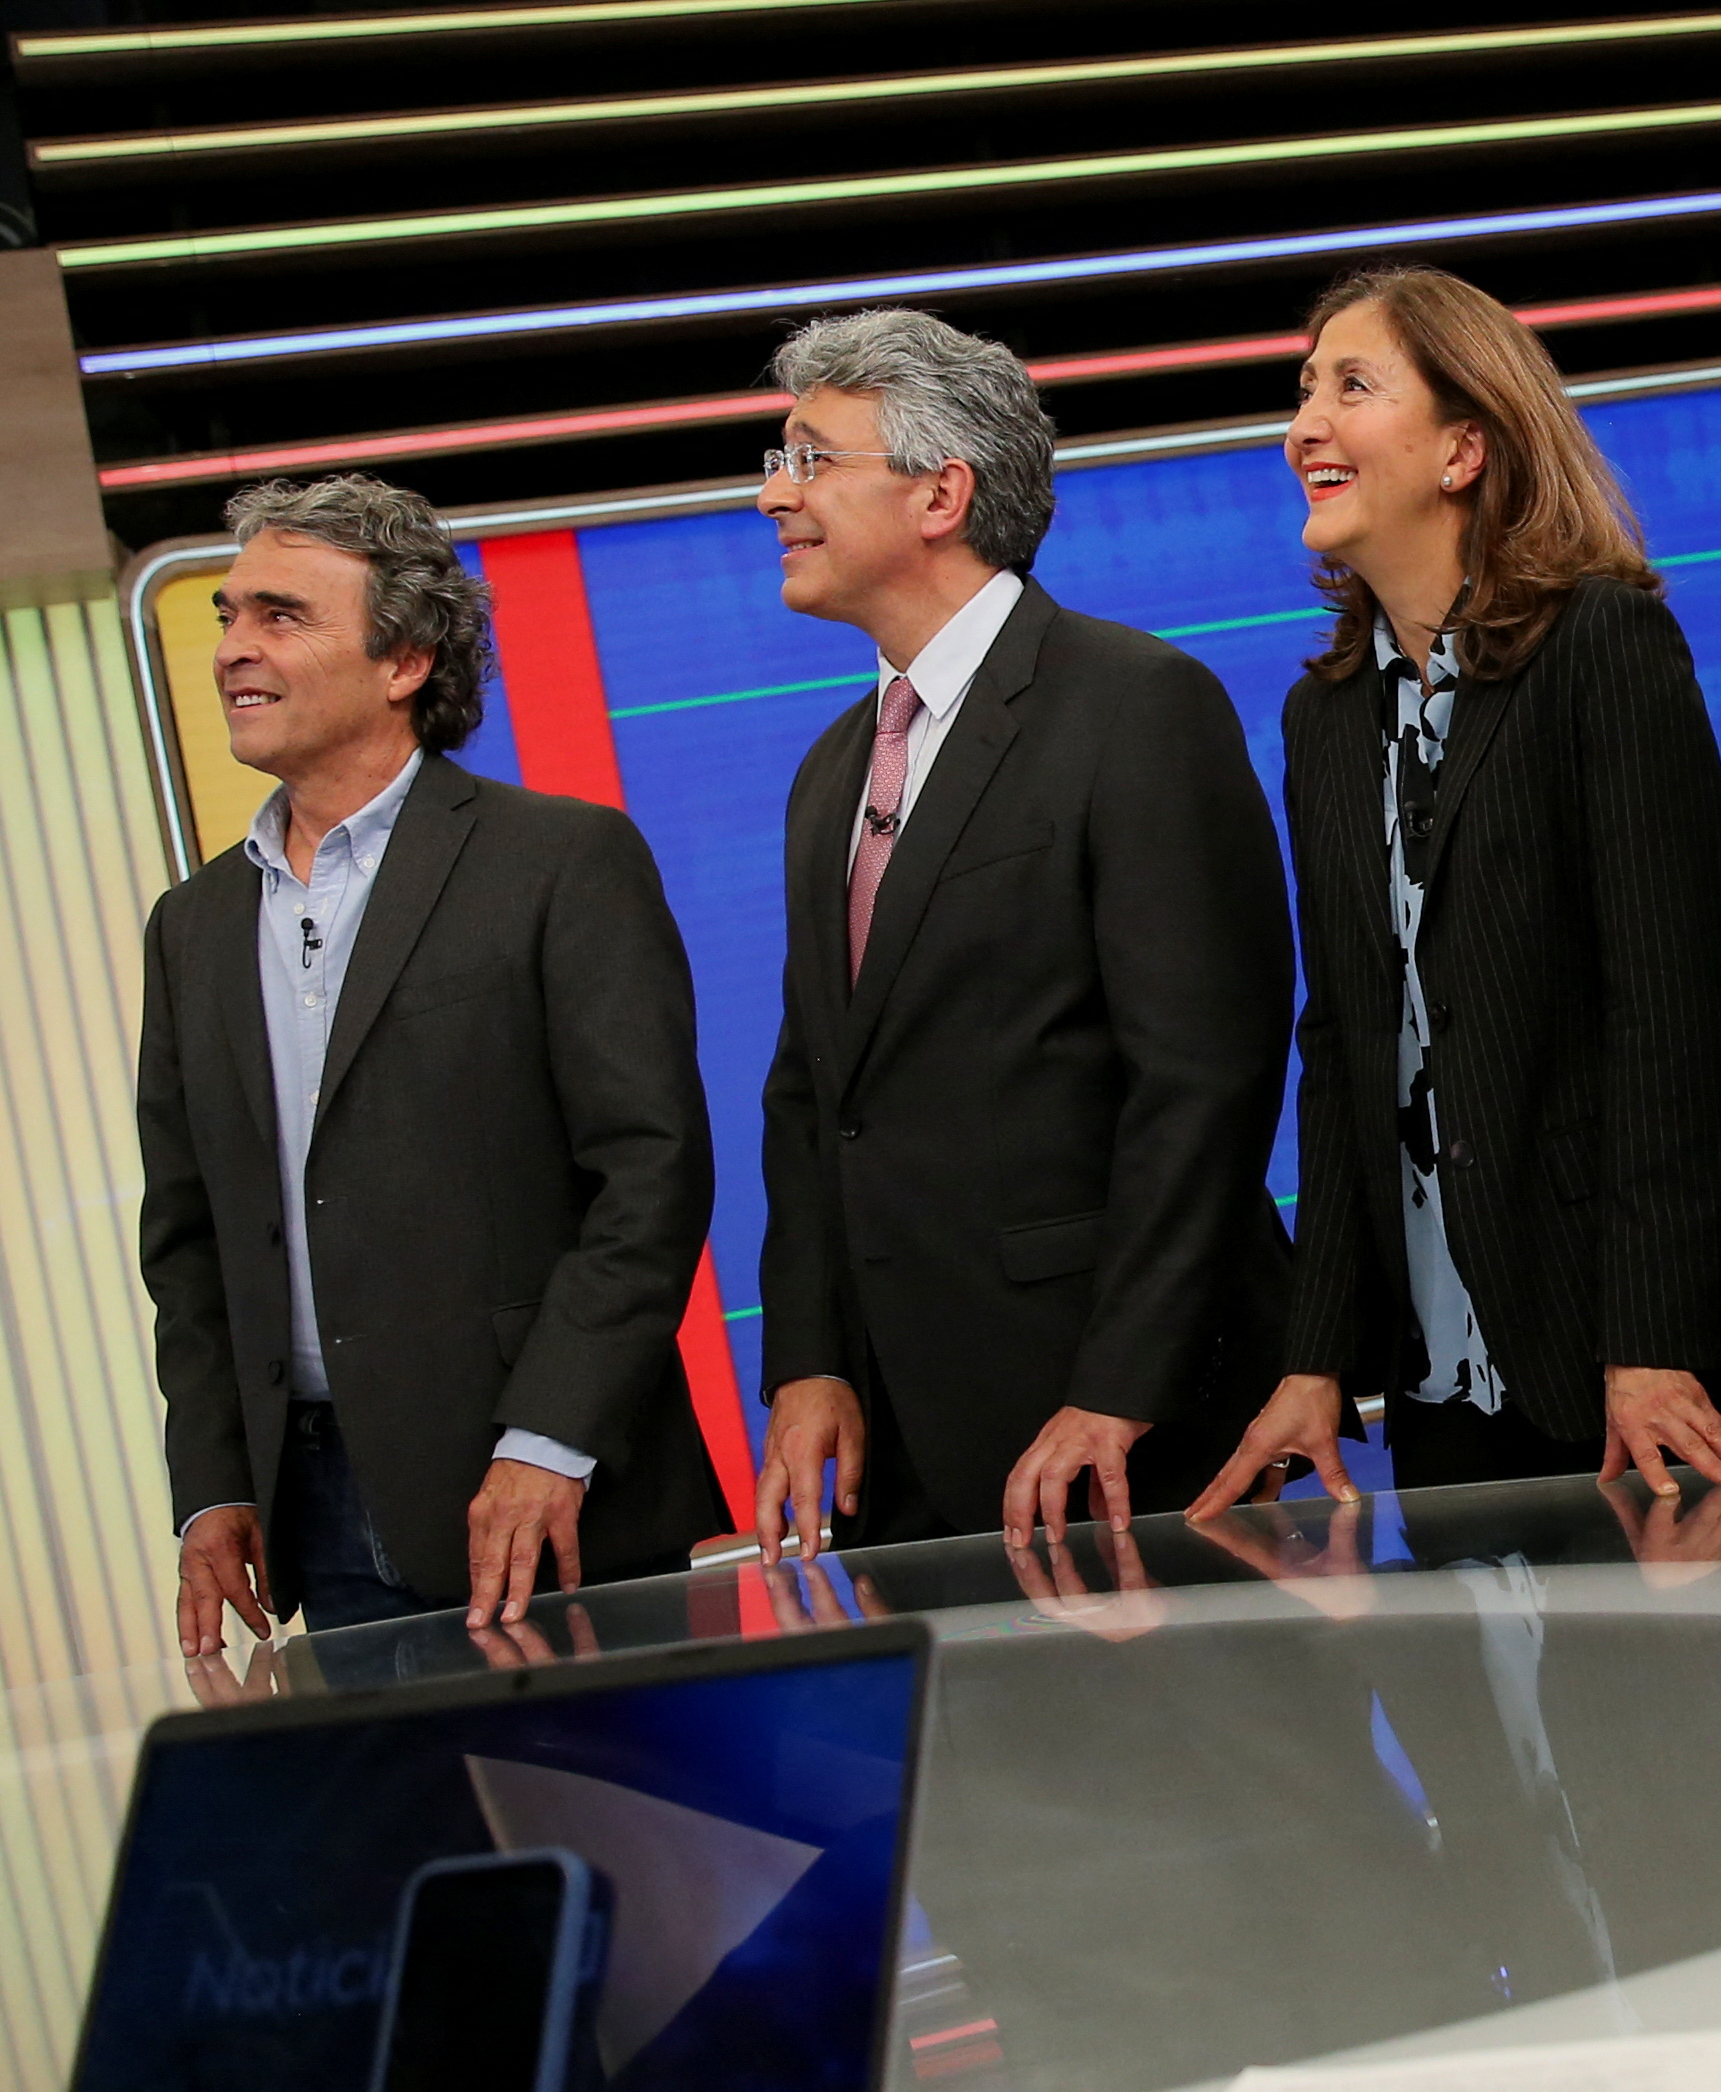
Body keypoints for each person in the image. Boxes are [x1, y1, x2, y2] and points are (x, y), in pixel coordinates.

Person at [1189, 267, 1721, 1512]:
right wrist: (1317, 1359)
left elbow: (1670, 1025)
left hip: (1630, 1356)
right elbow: (1345, 1041)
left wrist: (1650, 1341)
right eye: (1302, 389)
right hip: (1437, 1372)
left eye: (1351, 387)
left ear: (1465, 447)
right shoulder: (1323, 717)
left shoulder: (1602, 645)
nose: (1305, 421)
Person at [137, 474, 726, 1651]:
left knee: (629, 1834)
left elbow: (648, 1181)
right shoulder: (192, 924)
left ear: (405, 660)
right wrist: (211, 1483)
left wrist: (548, 1439)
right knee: (411, 1841)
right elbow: (190, 1232)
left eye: (280, 616)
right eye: (228, 617)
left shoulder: (560, 861)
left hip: (548, 1503)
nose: (233, 651)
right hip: (312, 1517)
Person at [750, 307, 1291, 1558]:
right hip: (891, 1447)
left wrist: (1119, 1387)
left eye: (811, 459)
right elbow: (812, 1094)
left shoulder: (1136, 706)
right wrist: (811, 1361)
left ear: (941, 493)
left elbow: (1202, 1080)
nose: (776, 498)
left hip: (1119, 1432)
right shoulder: (833, 767)